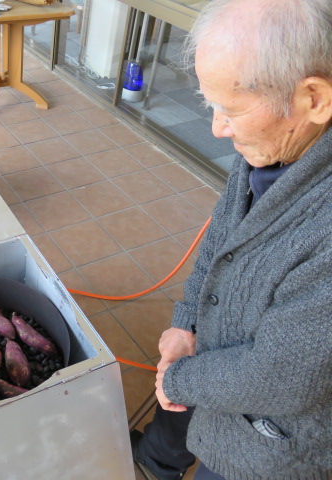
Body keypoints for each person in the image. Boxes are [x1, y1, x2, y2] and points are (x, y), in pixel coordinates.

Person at [130, 0, 332, 479]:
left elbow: (283, 376)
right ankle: (158, 461)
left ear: (315, 99)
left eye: (231, 109)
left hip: (271, 447)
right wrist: (185, 325)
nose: (218, 129)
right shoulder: (269, 146)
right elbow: (222, 242)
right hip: (213, 370)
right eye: (211, 105)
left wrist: (177, 377)